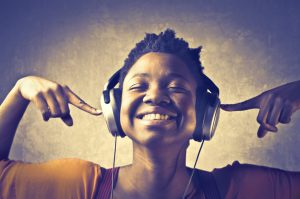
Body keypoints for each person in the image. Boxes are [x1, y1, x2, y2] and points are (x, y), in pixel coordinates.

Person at [0, 29, 299, 199]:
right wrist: (18, 93)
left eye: (176, 87)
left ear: (205, 110)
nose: (155, 96)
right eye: (138, 85)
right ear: (114, 109)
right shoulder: (80, 186)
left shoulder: (239, 189)